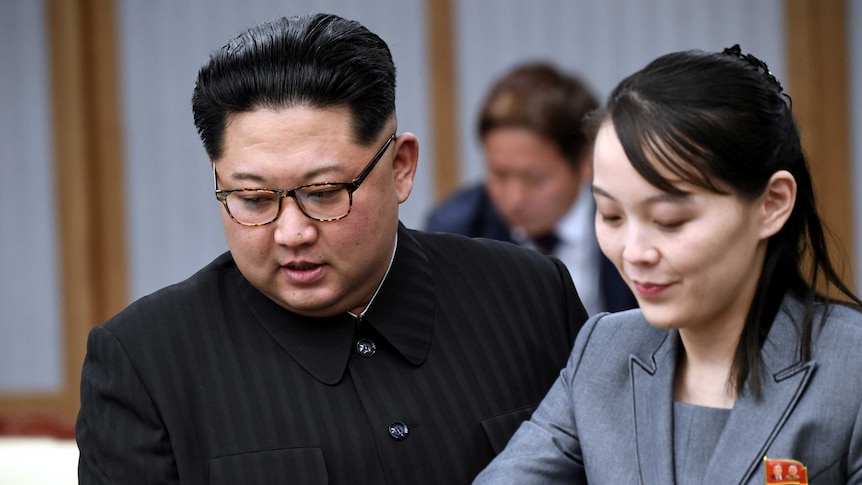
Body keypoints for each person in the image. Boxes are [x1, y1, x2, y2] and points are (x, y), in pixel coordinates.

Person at [75, 13, 588, 485]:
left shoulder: (532, 296)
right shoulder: (144, 362)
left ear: (401, 167)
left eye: (323, 194)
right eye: (253, 199)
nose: (291, 232)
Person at [473, 45, 862, 484]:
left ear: (771, 204)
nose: (635, 251)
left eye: (669, 221)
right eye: (612, 216)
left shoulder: (850, 367)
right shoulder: (604, 351)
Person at [425, 62, 636, 315]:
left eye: (533, 179)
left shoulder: (634, 222)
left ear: (585, 163)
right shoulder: (456, 233)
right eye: (499, 175)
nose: (514, 200)